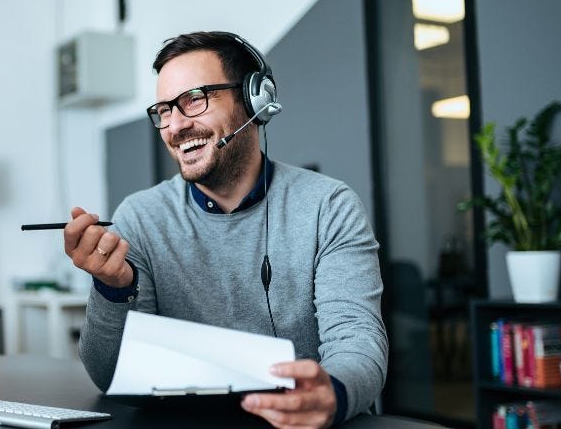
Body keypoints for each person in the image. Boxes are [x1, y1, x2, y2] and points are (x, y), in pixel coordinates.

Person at [64, 31, 387, 428]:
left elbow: (358, 341)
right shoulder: (140, 217)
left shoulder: (328, 207)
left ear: (255, 100)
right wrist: (111, 290)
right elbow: (110, 374)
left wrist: (331, 394)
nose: (175, 126)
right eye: (164, 110)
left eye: (194, 99)